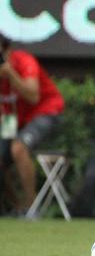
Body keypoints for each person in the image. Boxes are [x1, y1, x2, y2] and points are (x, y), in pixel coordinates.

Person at [0, 34, 64, 216]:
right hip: (12, 119)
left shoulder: (23, 61)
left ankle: (31, 208)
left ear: (7, 51)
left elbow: (33, 96)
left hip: (45, 111)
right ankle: (17, 206)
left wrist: (10, 74)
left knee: (18, 148)